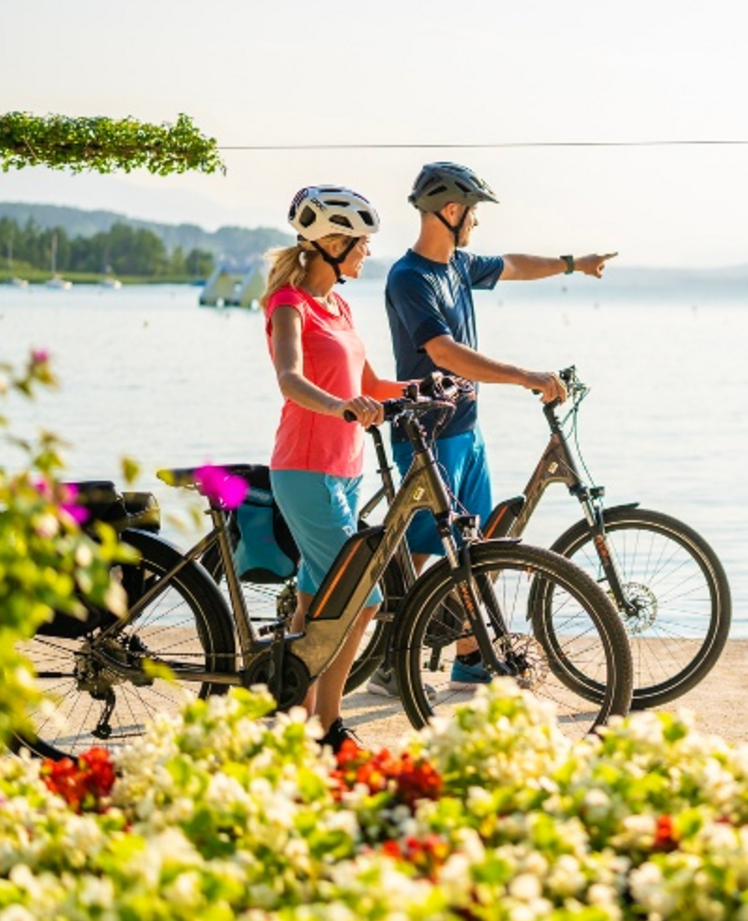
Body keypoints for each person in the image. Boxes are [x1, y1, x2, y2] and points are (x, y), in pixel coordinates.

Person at [373, 161, 615, 694]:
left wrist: (574, 264)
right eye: (474, 212)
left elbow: (514, 266)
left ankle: (468, 659)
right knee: (415, 552)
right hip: (428, 436)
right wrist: (524, 375)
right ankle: (389, 661)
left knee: (474, 547)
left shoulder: (458, 265)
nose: (477, 223)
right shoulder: (409, 278)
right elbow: (444, 352)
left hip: (468, 429)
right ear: (452, 211)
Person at [263, 185, 408, 751]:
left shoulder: (338, 306)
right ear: (331, 244)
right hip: (304, 468)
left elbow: (369, 386)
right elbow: (291, 379)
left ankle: (296, 723)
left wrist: (427, 388)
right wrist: (339, 405)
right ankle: (329, 724)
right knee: (360, 598)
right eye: (361, 243)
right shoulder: (288, 306)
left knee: (312, 602)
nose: (367, 253)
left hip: (345, 468)